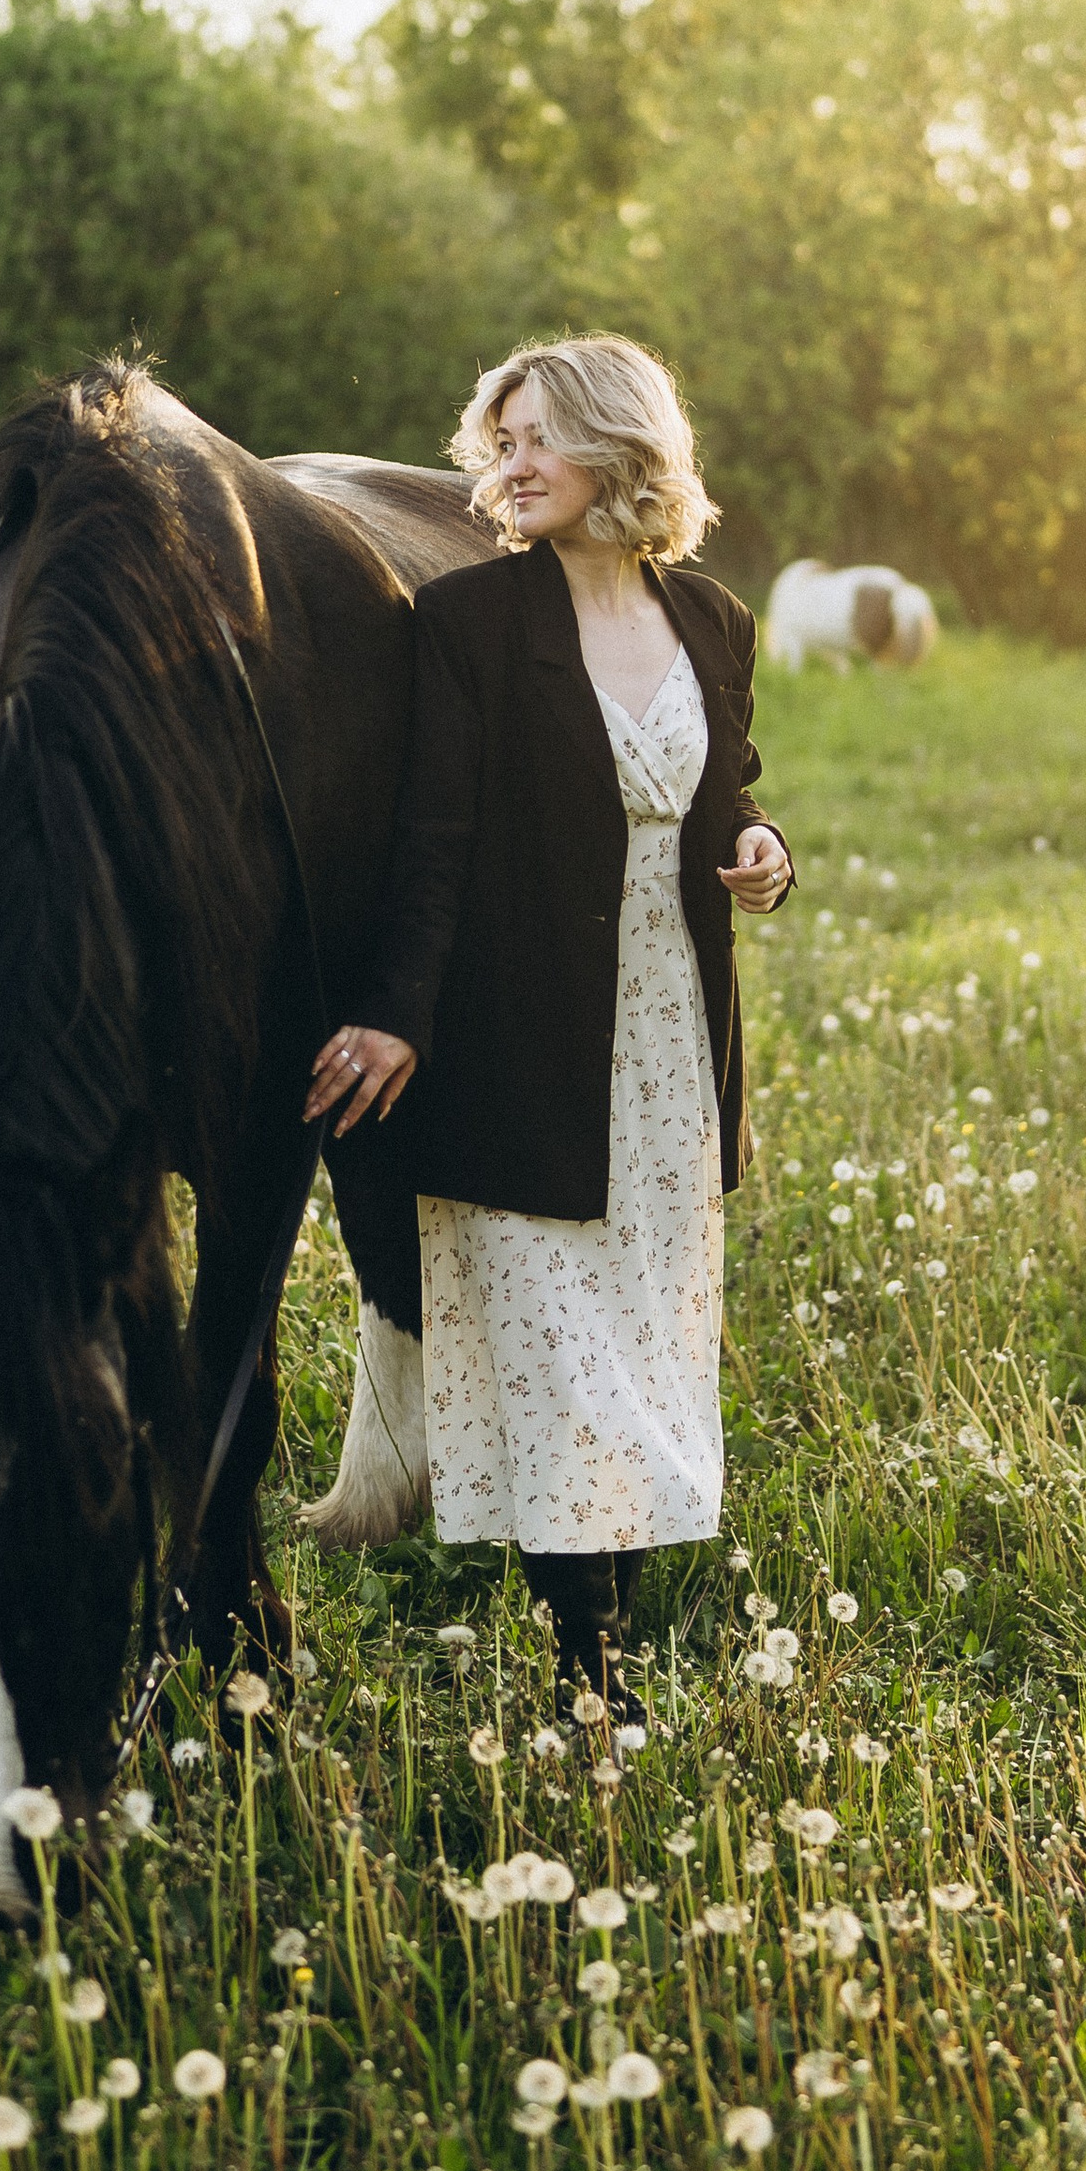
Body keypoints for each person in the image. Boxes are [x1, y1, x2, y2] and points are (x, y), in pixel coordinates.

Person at [303, 335, 791, 1703]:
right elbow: (433, 838)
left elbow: (725, 790)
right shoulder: (464, 626)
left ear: (621, 450)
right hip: (517, 1032)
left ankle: (606, 1645)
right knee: (560, 1358)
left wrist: (762, 852)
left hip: (667, 1044)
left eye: (538, 442)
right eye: (498, 442)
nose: (508, 469)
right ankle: (594, 1676)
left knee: (639, 1349)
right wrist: (397, 1018)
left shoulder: (714, 622)